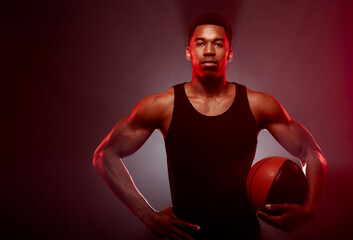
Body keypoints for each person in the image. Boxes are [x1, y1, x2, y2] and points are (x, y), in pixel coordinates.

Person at [93, 13, 327, 240]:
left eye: (218, 44)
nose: (208, 51)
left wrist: (310, 208)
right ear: (189, 51)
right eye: (200, 43)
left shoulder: (259, 105)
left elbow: (311, 152)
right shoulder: (163, 106)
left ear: (229, 53)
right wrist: (147, 215)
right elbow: (105, 155)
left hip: (245, 236)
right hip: (185, 236)